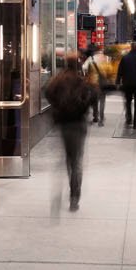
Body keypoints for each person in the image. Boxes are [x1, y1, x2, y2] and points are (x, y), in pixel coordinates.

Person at [43, 57, 93, 212]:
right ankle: (74, 197)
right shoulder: (82, 82)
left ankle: (71, 187)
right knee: (77, 160)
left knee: (69, 157)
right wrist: (83, 108)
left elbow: (47, 91)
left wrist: (57, 108)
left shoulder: (58, 80)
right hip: (78, 123)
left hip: (64, 123)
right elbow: (90, 98)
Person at [83, 44, 113, 125]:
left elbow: (84, 68)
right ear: (102, 51)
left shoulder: (91, 58)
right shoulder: (107, 59)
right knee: (102, 101)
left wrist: (88, 74)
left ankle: (95, 116)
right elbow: (110, 71)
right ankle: (101, 118)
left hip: (93, 83)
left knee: (94, 100)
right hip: (103, 84)